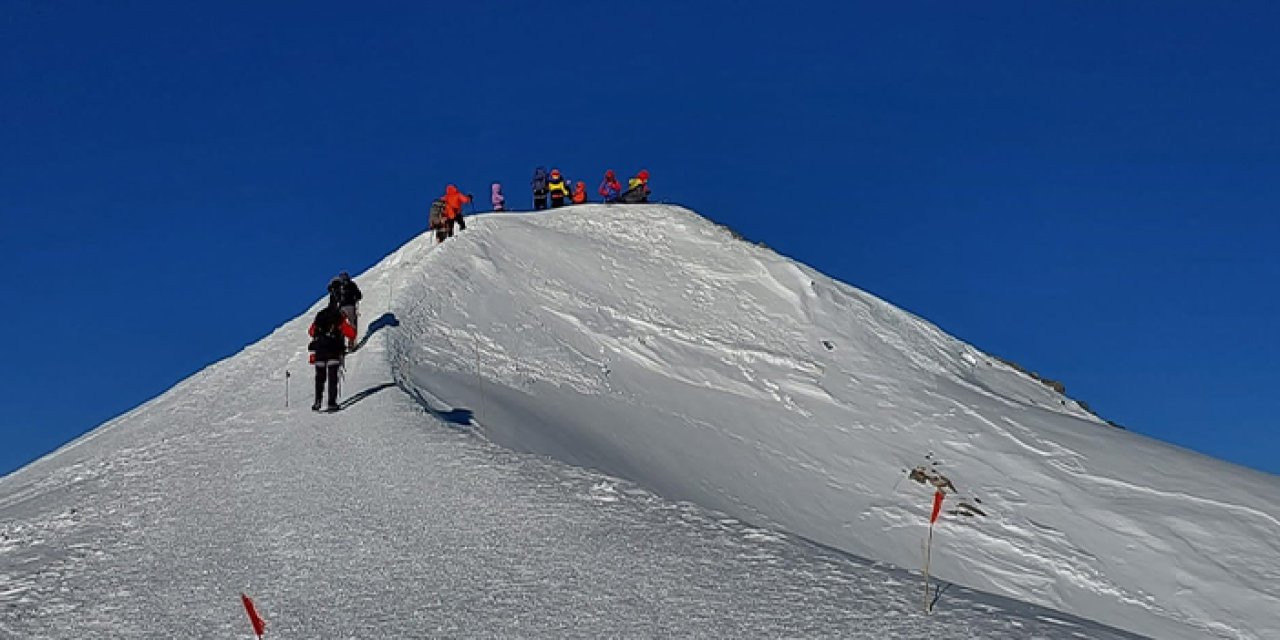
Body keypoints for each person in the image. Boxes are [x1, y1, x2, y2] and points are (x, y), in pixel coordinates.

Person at [307, 303, 356, 412]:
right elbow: (351, 334)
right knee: (332, 377)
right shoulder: (338, 318)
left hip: (320, 350)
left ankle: (317, 401)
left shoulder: (320, 317)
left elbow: (311, 332)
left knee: (319, 378)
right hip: (333, 350)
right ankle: (331, 403)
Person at [327, 272, 363, 350]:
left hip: (341, 308)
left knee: (341, 326)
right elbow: (359, 295)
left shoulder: (337, 287)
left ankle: (340, 346)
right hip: (350, 306)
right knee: (352, 324)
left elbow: (333, 300)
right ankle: (351, 344)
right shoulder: (351, 284)